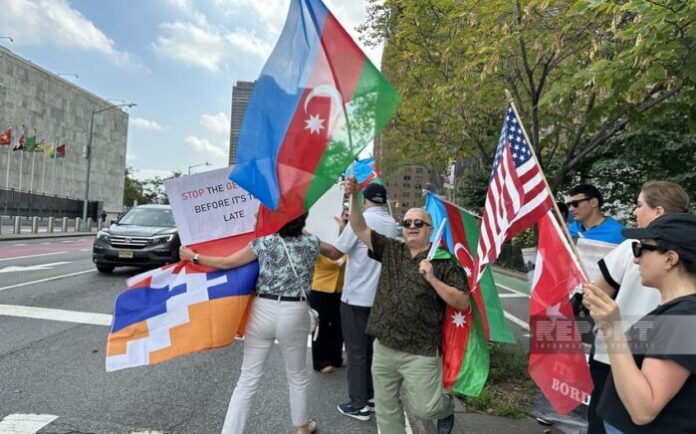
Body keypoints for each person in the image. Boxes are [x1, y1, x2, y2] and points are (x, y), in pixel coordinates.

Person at [342, 176, 469, 434]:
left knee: (426, 409)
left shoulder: (443, 261)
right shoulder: (391, 249)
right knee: (387, 413)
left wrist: (432, 278)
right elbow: (359, 228)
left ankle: (446, 408)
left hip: (420, 351)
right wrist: (354, 198)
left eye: (418, 223)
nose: (411, 226)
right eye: (407, 222)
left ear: (430, 229)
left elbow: (463, 301)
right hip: (385, 346)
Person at [179, 213, 320, 434]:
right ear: (302, 221)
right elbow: (336, 252)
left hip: (263, 308)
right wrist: (298, 226)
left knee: (247, 379)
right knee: (296, 375)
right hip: (295, 311)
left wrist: (194, 257)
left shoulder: (262, 243)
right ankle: (302, 426)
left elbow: (226, 263)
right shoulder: (312, 243)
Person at [583, 181, 690, 434]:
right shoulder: (673, 311)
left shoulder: (683, 317)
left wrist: (612, 327)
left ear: (670, 258)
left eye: (642, 248)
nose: (635, 257)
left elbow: (643, 410)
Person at [322, 182, 398, 421]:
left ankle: (358, 405)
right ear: (383, 201)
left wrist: (309, 238)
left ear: (365, 200)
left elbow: (335, 253)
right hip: (381, 298)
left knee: (356, 352)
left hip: (356, 297)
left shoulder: (363, 221)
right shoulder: (393, 225)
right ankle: (370, 396)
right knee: (372, 351)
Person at [309, 210, 348, 373]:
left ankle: (336, 357)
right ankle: (320, 361)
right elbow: (334, 259)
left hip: (341, 288)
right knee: (321, 325)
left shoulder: (346, 239)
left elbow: (346, 259)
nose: (343, 220)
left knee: (338, 325)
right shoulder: (319, 240)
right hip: (321, 287)